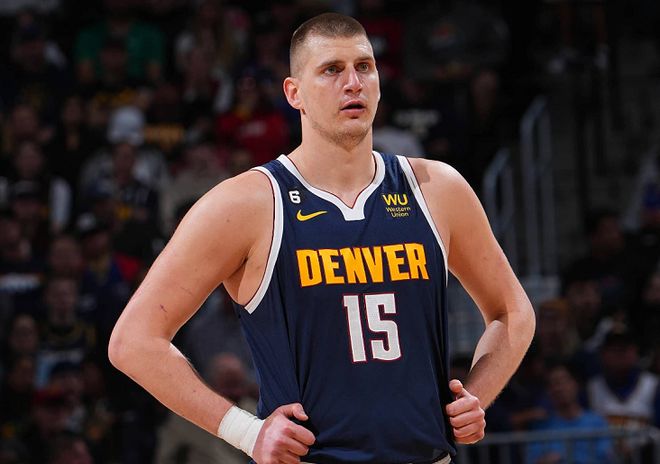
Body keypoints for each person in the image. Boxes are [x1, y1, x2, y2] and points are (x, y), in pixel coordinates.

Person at [109, 13, 535, 464]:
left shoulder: (436, 188)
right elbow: (134, 340)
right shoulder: (248, 203)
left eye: (364, 67)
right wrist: (246, 432)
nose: (353, 83)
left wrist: (476, 396)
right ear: (294, 93)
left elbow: (512, 312)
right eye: (332, 70)